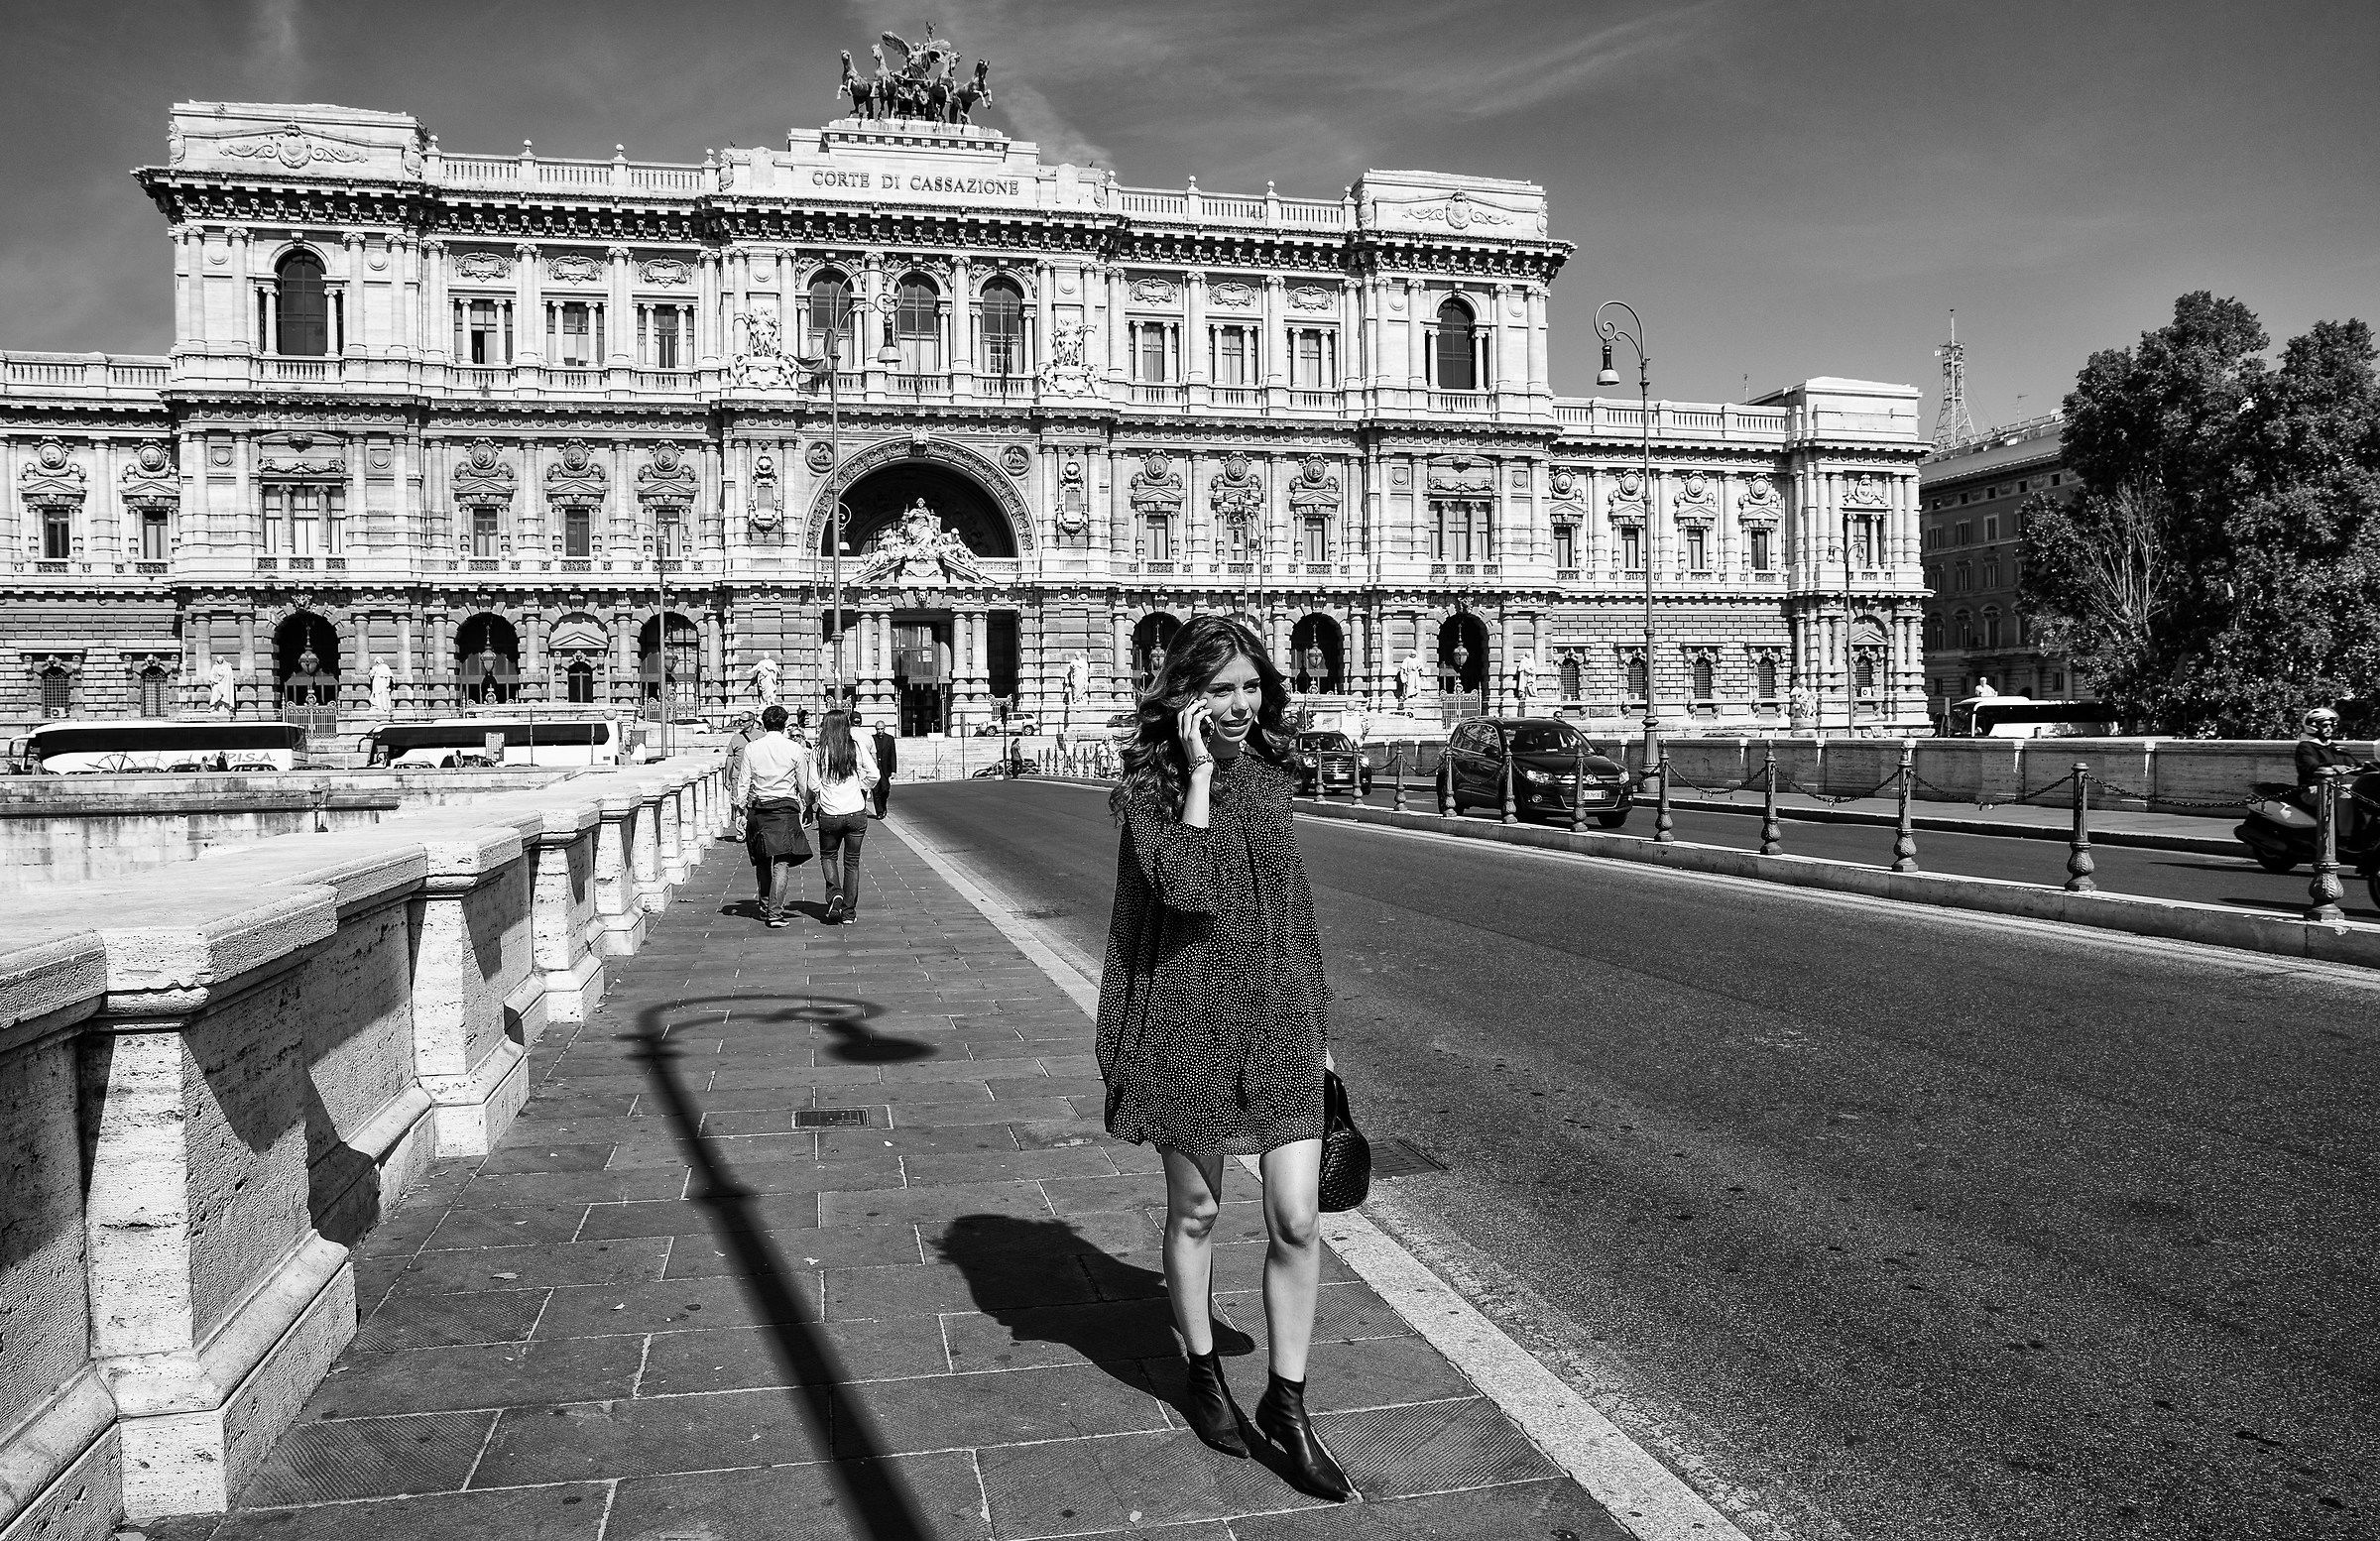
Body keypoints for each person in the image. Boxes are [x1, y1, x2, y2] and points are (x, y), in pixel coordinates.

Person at [1096, 614, 1350, 1502]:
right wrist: (1199, 775)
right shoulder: (1144, 790)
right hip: (1186, 1016)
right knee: (1198, 1209)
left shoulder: (1277, 773)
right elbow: (1189, 891)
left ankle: (1288, 1402)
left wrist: (1317, 1023)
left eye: (1250, 687)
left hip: (1276, 1013)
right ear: (1184, 699)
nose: (1240, 706)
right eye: (1220, 691)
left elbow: (1292, 906)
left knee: (1297, 1218)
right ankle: (1202, 1371)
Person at [734, 705, 814, 927]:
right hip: (784, 810)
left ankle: (764, 906)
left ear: (764, 723)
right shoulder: (794, 748)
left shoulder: (752, 748)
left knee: (762, 861)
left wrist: (740, 810)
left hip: (759, 809)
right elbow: (802, 783)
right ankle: (775, 914)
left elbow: (744, 782)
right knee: (781, 863)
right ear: (784, 724)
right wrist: (807, 804)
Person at [809, 709, 878, 924]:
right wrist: (861, 787)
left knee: (828, 856)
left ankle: (834, 893)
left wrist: (823, 792)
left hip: (830, 813)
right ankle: (849, 913)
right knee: (852, 863)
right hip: (856, 812)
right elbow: (874, 774)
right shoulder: (855, 747)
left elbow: (812, 784)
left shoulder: (818, 751)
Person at [722, 713, 766, 843]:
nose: (740, 723)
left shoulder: (762, 736)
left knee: (757, 804)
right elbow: (729, 758)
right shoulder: (735, 738)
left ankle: (755, 830)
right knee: (739, 804)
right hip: (738, 777)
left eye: (743, 721)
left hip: (757, 777)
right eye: (739, 720)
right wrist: (727, 778)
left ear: (752, 721)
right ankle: (741, 831)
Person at [868, 712, 898, 816]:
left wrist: (894, 770)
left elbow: (893, 755)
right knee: (876, 791)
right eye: (878, 729)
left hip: (885, 770)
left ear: (884, 728)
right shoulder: (872, 738)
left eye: (881, 729)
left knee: (885, 790)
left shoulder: (890, 739)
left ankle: (883, 805)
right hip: (875, 768)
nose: (880, 731)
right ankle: (879, 812)